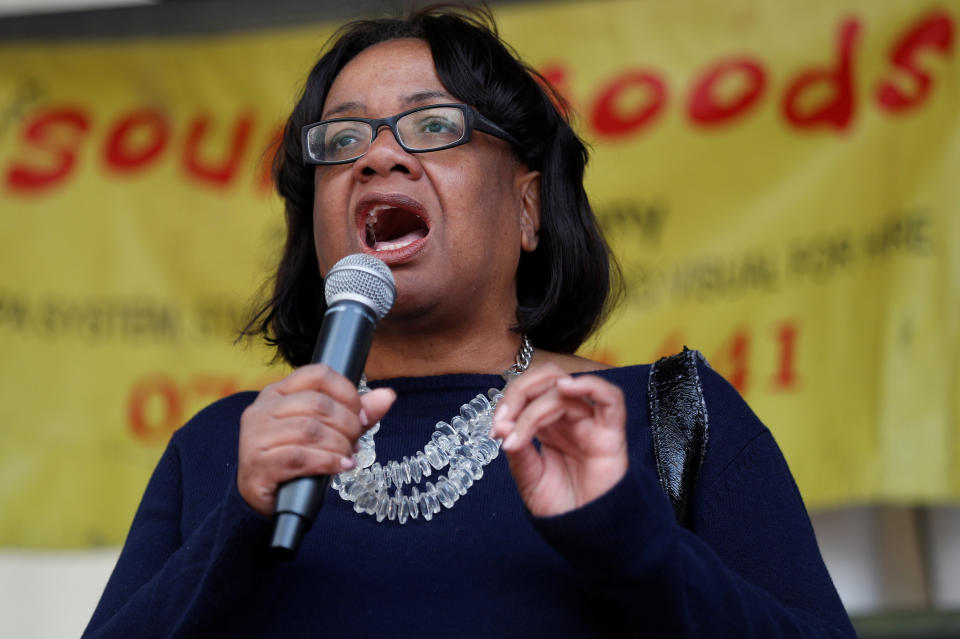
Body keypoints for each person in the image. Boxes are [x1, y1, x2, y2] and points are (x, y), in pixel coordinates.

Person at [84, 6, 856, 638]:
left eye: (432, 127)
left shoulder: (664, 418)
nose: (379, 159)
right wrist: (238, 529)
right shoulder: (224, 450)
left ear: (527, 208)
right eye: (344, 139)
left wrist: (634, 542)